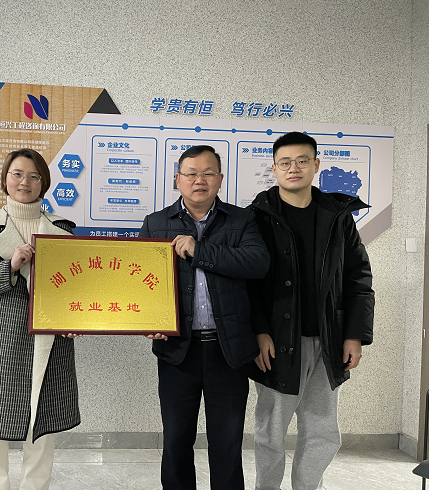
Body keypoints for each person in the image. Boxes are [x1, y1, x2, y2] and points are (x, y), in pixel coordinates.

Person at [248, 131, 374, 490]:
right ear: (274, 169)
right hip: (277, 341)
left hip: (329, 340)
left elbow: (358, 277)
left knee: (322, 429)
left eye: (302, 161)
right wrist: (259, 331)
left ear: (316, 165)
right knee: (270, 431)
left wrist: (354, 335)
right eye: (285, 162)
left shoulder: (338, 216)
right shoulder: (257, 216)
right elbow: (248, 284)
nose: (294, 168)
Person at [139, 145, 270, 490]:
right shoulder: (156, 223)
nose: (200, 180)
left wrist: (200, 250)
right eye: (191, 173)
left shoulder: (242, 219)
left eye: (208, 173)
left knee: (227, 441)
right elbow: (140, 282)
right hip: (177, 350)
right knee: (176, 438)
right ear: (177, 179)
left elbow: (257, 264)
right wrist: (149, 322)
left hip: (228, 350)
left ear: (220, 179)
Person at [0, 148, 80, 490]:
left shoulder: (63, 230)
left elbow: (76, 289)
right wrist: (8, 267)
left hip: (49, 342)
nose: (25, 182)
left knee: (41, 428)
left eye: (34, 176)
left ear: (44, 183)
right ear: (5, 179)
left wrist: (75, 319)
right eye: (18, 174)